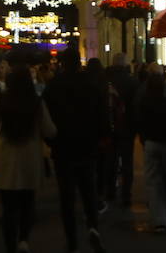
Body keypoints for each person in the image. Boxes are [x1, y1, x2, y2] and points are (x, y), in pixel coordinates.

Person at [42, 49, 109, 253]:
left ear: (62, 64)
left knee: (67, 197)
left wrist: (51, 142)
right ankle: (92, 227)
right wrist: (101, 137)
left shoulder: (53, 86)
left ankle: (71, 239)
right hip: (87, 147)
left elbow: (45, 117)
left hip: (63, 148)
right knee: (89, 191)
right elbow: (102, 113)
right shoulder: (91, 85)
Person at [0, 67, 57, 253]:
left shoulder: (1, 102)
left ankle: (10, 245)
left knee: (8, 208)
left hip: (5, 160)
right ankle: (24, 240)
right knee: (27, 203)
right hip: (29, 159)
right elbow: (49, 130)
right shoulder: (36, 102)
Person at [136, 69, 166, 232]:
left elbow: (139, 122)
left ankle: (158, 220)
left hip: (150, 143)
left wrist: (143, 138)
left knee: (153, 182)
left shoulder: (144, 102)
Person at [104, 54, 140, 206]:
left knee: (110, 160)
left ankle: (111, 190)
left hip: (110, 126)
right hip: (127, 127)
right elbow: (137, 106)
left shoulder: (105, 81)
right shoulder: (133, 82)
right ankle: (126, 194)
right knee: (127, 162)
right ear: (126, 65)